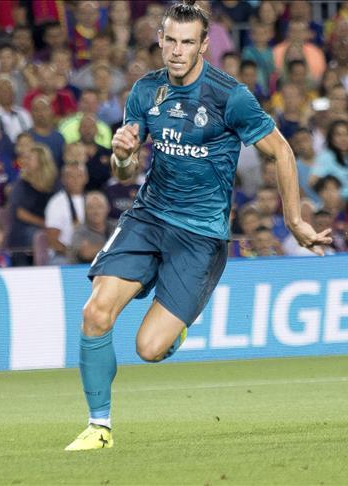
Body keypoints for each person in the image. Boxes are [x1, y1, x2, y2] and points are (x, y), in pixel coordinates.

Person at [66, 1, 332, 452]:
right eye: (170, 40)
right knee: (95, 314)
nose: (176, 50)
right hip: (149, 216)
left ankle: (177, 328)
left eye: (187, 42)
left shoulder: (230, 96)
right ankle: (99, 427)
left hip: (201, 236)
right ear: (159, 40)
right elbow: (124, 170)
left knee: (149, 348)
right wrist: (123, 155)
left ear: (204, 45)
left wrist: (294, 220)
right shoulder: (145, 91)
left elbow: (282, 151)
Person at [45, 162, 88, 264]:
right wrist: (74, 254)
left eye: (79, 176)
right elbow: (52, 241)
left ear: (86, 178)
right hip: (63, 255)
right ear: (63, 180)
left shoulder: (91, 200)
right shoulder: (57, 203)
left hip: (88, 254)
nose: (75, 180)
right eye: (71, 176)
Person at [69, 191, 115, 264]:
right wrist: (116, 248)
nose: (96, 212)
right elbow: (86, 254)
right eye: (91, 208)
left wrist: (94, 249)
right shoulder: (80, 231)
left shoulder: (117, 227)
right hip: (87, 269)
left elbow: (128, 248)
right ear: (85, 211)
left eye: (100, 207)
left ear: (107, 209)